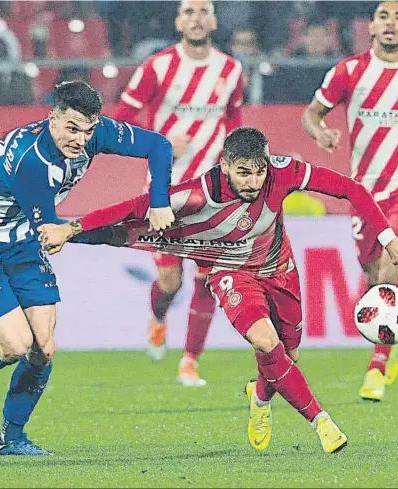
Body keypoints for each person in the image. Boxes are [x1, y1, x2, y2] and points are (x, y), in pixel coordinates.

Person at [37, 127, 398, 453]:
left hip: (280, 271)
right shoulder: (197, 194)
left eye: (258, 173)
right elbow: (131, 209)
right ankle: (321, 422)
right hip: (229, 273)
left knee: (287, 356)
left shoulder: (284, 172)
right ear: (225, 166)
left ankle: (258, 397)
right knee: (265, 340)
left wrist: (390, 239)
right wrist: (71, 229)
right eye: (242, 173)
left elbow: (349, 189)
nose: (252, 183)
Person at [0, 80, 174, 456]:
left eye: (87, 130)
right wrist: (117, 236)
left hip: (20, 238)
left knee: (44, 349)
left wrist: (159, 201)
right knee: (17, 344)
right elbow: (53, 234)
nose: (80, 140)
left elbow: (158, 146)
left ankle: (12, 438)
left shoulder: (94, 133)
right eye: (71, 128)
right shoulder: (31, 161)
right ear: (52, 118)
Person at [302, 0, 398, 401]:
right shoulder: (349, 72)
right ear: (370, 27)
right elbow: (312, 113)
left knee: (390, 268)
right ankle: (395, 335)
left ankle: (377, 365)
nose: (390, 23)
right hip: (363, 193)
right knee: (374, 278)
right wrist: (319, 132)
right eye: (383, 16)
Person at [113, 0, 244, 386]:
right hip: (165, 193)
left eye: (204, 10)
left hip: (214, 195)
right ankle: (158, 319)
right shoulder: (156, 67)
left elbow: (234, 122)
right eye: (189, 11)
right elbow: (120, 121)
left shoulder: (231, 70)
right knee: (172, 282)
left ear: (214, 20)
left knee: (208, 279)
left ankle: (189, 361)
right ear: (178, 21)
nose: (197, 18)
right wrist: (159, 142)